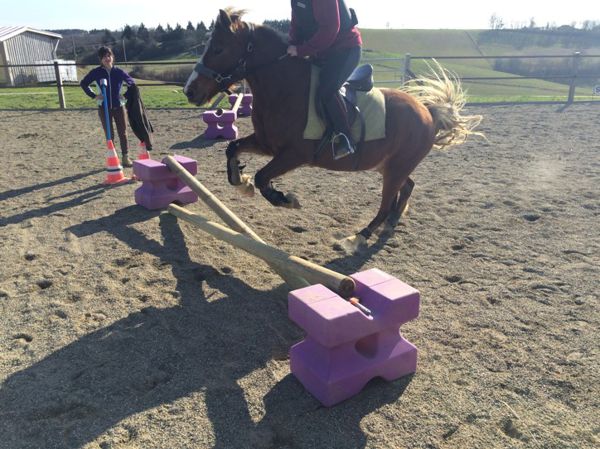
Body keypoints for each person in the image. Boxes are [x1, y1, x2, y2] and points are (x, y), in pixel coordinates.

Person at [287, 0, 362, 159]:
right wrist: (290, 46)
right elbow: (296, 25)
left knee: (326, 90)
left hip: (345, 49)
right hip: (322, 51)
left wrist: (302, 50)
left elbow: (330, 29)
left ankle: (346, 138)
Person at [80, 46, 135, 167]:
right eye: (104, 56)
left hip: (119, 107)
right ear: (100, 59)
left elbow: (131, 83)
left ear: (112, 57)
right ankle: (113, 157)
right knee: (109, 134)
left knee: (123, 132)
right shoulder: (96, 72)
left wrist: (125, 95)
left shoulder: (119, 72)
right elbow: (83, 83)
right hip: (103, 108)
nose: (107, 58)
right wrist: (94, 96)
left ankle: (125, 157)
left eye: (109, 55)